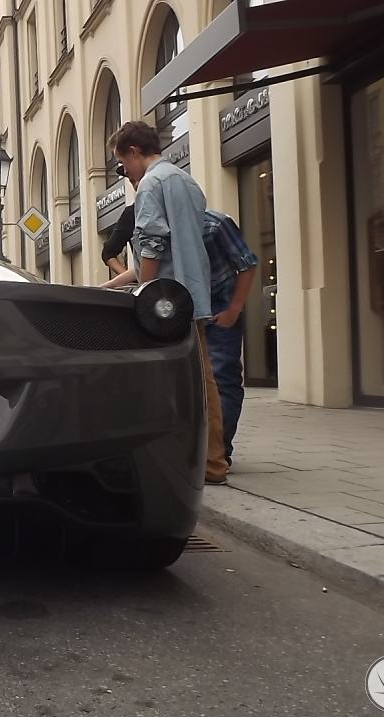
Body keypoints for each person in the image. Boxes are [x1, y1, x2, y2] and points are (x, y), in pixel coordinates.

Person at [100, 170, 260, 470]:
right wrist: (105, 289)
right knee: (194, 383)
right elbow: (143, 268)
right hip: (186, 315)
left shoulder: (216, 224)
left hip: (221, 311)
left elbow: (247, 264)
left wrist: (235, 309)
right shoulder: (168, 231)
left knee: (222, 378)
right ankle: (206, 451)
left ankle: (219, 451)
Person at [104, 120, 228, 485]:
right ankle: (213, 461)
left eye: (123, 165)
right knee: (203, 381)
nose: (125, 173)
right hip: (192, 295)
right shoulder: (186, 180)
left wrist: (145, 288)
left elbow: (153, 243)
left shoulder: (151, 184)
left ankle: (190, 461)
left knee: (165, 382)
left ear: (134, 152)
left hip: (165, 304)